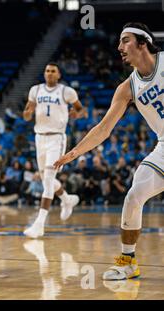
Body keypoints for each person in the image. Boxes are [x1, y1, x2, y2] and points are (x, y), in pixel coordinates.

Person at [54, 22, 164, 280]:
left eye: (125, 40)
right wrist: (75, 152)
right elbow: (104, 129)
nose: (119, 47)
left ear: (142, 43)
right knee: (134, 195)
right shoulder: (128, 88)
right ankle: (127, 261)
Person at [22, 62, 85, 238]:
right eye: (47, 71)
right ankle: (67, 200)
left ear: (58, 75)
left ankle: (39, 224)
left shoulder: (67, 91)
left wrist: (74, 114)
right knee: (46, 181)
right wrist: (28, 114)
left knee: (48, 179)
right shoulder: (35, 90)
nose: (49, 73)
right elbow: (27, 113)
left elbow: (80, 110)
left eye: (53, 71)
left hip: (56, 138)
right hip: (39, 138)